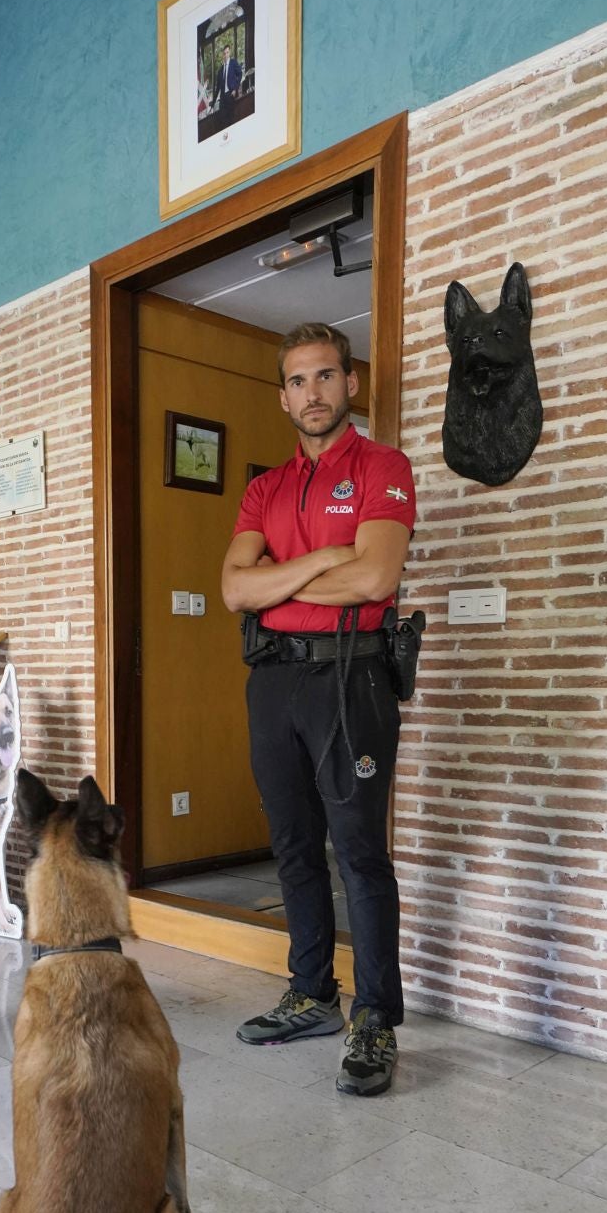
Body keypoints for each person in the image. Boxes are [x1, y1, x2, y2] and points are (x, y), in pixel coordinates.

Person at [220, 322, 416, 1097]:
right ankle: (311, 993)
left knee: (359, 850)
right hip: (274, 685)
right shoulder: (264, 489)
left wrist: (279, 584)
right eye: (298, 381)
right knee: (293, 847)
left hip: (352, 679)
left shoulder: (382, 466)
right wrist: (326, 562)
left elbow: (375, 581)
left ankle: (374, 1018)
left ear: (351, 384)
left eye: (326, 376)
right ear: (283, 396)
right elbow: (235, 590)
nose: (313, 393)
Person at [213, 42, 242, 119]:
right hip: (222, 98)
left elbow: (240, 74)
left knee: (231, 118)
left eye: (227, 53)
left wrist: (235, 89)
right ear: (223, 55)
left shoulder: (233, 63)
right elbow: (217, 88)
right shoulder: (220, 70)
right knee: (222, 120)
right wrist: (212, 103)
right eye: (224, 53)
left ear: (229, 53)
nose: (226, 55)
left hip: (231, 94)